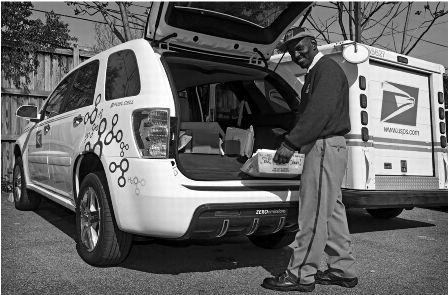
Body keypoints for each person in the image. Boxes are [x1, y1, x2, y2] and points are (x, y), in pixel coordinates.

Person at [262, 27, 358, 292]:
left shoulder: (324, 70)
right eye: (292, 52)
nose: (297, 54)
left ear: (313, 44)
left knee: (313, 213)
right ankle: (343, 270)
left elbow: (318, 112)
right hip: (329, 146)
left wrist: (291, 143)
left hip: (324, 146)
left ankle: (300, 275)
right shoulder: (319, 71)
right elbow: (313, 113)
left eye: (300, 48)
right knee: (332, 212)